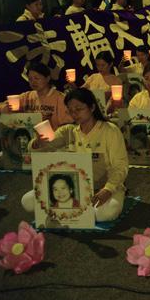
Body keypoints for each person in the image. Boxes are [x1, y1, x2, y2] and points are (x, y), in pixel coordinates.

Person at [23, 88, 128, 221]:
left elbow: (120, 165)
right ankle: (78, 208)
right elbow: (42, 147)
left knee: (104, 215)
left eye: (79, 109)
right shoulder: (69, 131)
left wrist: (109, 189)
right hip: (74, 187)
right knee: (27, 202)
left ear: (92, 107)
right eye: (71, 111)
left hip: (104, 186)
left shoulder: (110, 131)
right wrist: (37, 143)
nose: (74, 114)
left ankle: (80, 209)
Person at [0, 62, 73, 130]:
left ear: (47, 78)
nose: (33, 82)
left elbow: (68, 125)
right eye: (30, 79)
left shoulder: (60, 98)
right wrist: (4, 108)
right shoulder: (28, 96)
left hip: (53, 141)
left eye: (37, 78)